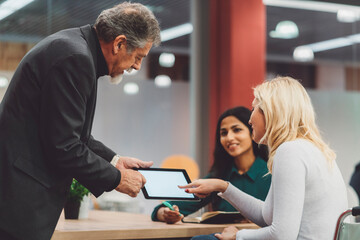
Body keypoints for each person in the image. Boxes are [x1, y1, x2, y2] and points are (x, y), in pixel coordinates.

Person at [0, 2, 160, 240]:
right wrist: (117, 178)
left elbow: (73, 135)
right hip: (20, 196)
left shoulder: (75, 48)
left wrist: (115, 160)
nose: (137, 66)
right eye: (138, 57)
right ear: (119, 43)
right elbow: (64, 146)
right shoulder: (75, 58)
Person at [180, 76, 348, 240]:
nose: (250, 119)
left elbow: (281, 235)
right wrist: (224, 187)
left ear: (270, 112)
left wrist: (238, 236)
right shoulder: (313, 149)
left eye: (254, 109)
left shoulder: (289, 151)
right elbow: (266, 216)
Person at [152, 106, 271, 224]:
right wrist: (166, 213)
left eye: (237, 130)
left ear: (252, 132)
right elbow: (165, 208)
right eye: (224, 133)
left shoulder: (272, 173)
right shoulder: (219, 176)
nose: (229, 138)